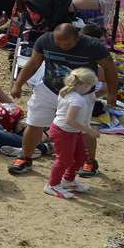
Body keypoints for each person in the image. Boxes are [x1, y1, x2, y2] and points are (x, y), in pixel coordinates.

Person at [6, 20, 118, 177]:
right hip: (48, 88)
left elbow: (110, 68)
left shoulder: (93, 46)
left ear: (77, 38)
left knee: (82, 127)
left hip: (80, 93)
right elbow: (33, 63)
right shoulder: (45, 40)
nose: (62, 47)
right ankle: (25, 157)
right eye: (59, 43)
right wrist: (18, 84)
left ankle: (90, 161)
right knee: (34, 123)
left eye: (67, 44)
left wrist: (112, 93)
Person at [44, 66, 97, 199]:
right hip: (63, 131)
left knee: (80, 156)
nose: (91, 88)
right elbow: (70, 120)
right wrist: (89, 130)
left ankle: (68, 180)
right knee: (64, 159)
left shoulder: (67, 93)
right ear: (84, 85)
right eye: (91, 85)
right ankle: (52, 185)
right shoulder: (76, 99)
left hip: (73, 131)